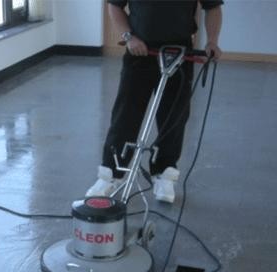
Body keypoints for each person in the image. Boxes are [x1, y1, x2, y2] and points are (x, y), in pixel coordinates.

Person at [87, 0, 223, 203]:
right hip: (139, 51)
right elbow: (114, 6)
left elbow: (213, 7)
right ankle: (111, 174)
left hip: (180, 53)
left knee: (174, 118)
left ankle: (164, 174)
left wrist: (212, 41)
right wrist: (129, 37)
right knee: (125, 115)